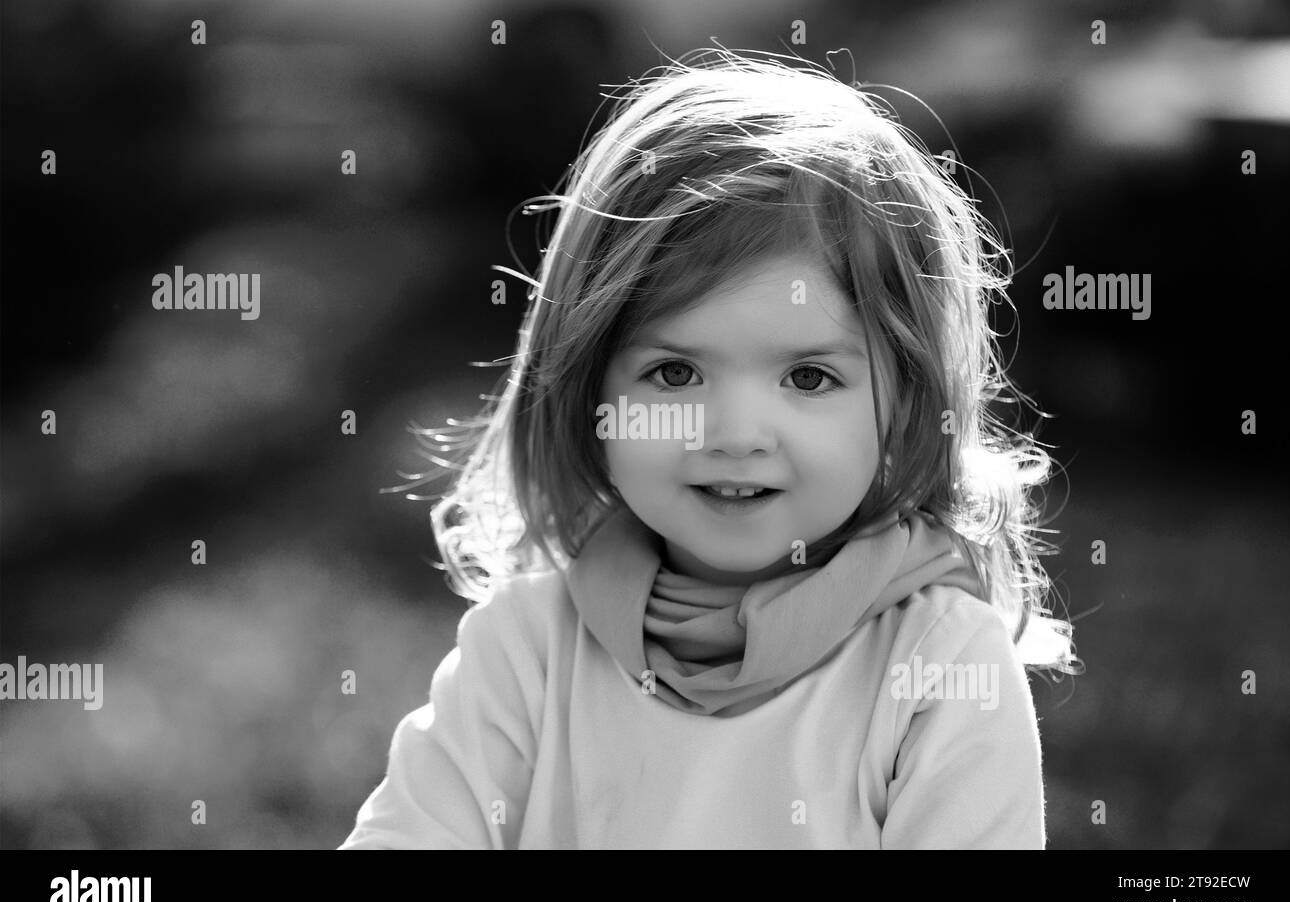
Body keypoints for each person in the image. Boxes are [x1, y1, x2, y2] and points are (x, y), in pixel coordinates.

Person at [340, 47, 1079, 850]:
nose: (732, 434)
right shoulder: (528, 645)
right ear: (590, 392)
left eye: (806, 377)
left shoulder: (939, 663)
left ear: (904, 402)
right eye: (675, 372)